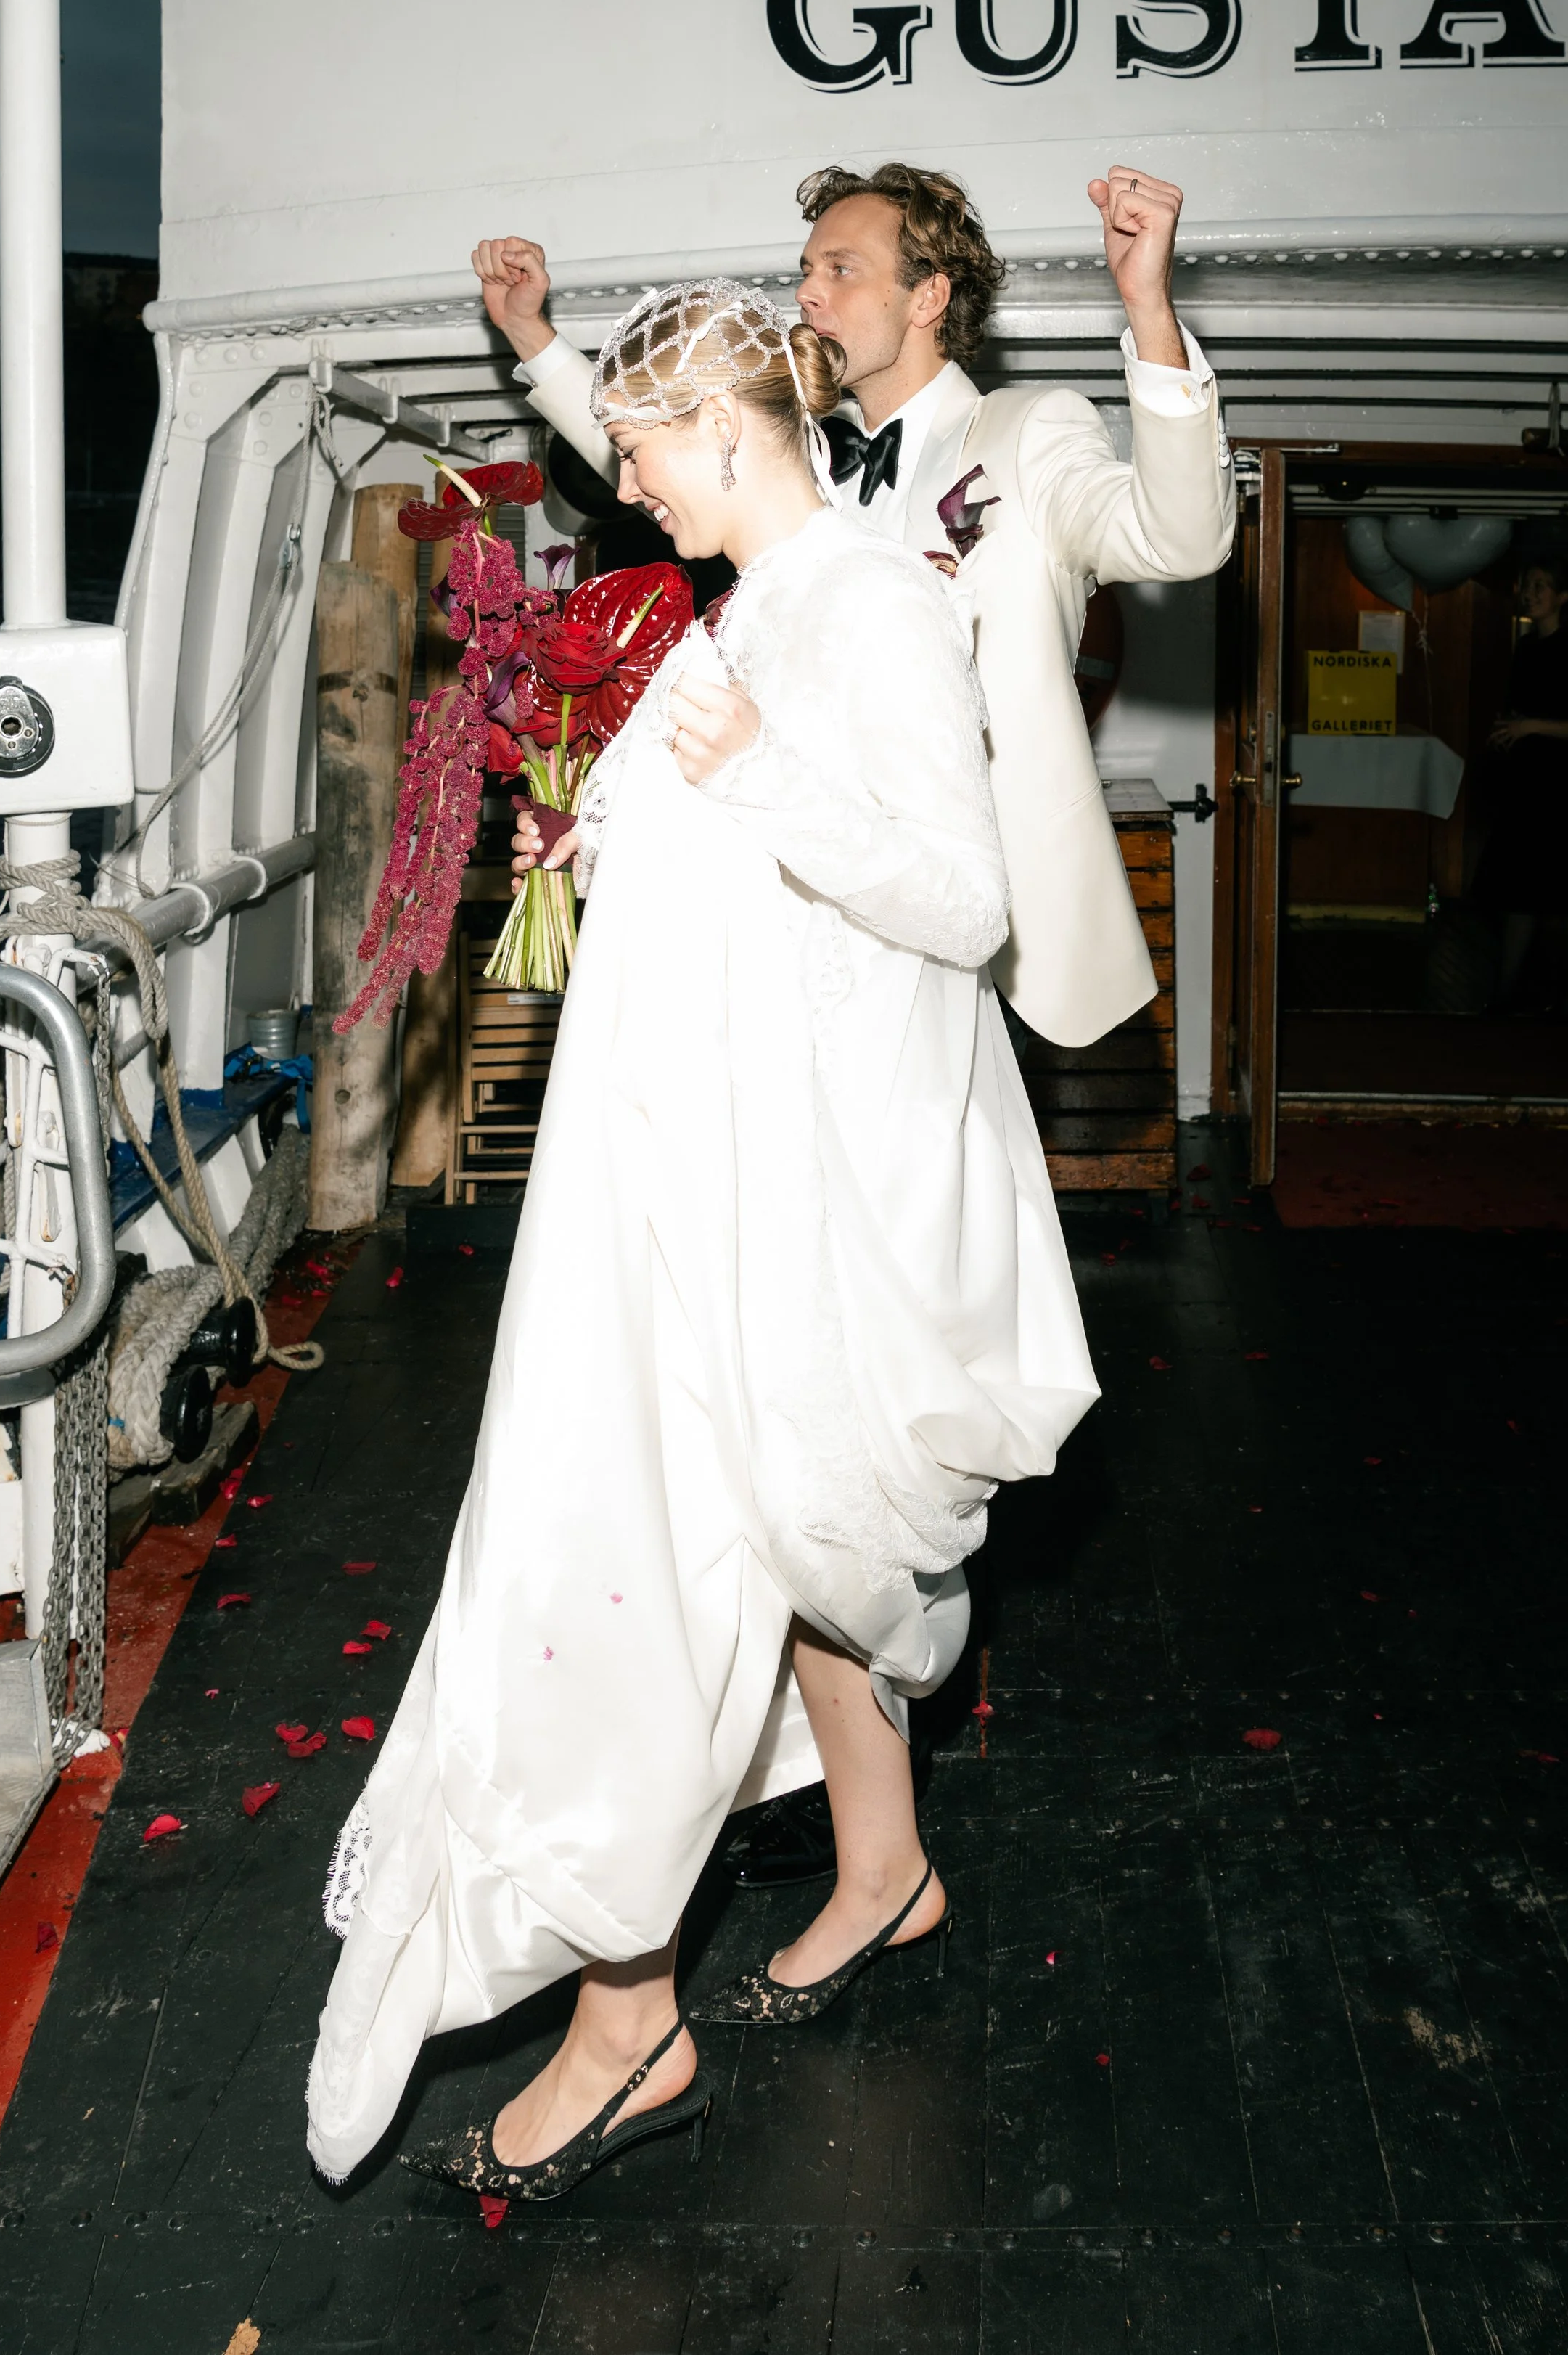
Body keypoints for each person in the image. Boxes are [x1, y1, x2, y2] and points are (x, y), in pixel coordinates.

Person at [304, 282, 1097, 2203]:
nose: (622, 478)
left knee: (642, 1553)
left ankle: (623, 2014)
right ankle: (879, 1862)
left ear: (727, 432)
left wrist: (743, 778)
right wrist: (615, 831)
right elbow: (735, 811)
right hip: (693, 1151)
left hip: (785, 1187)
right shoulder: (755, 599)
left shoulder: (881, 598)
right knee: (758, 1538)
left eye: (640, 446)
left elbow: (955, 892)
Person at [477, 155, 1235, 1059]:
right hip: (819, 916)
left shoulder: (1030, 433)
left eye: (840, 269)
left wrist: (1148, 308)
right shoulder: (802, 465)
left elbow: (1182, 539)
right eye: (804, 272)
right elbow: (663, 458)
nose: (807, 293)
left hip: (1000, 925)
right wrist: (532, 337)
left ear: (926, 299)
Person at [1474, 547, 1568, 1018]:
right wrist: (1508, 733)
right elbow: (1522, 713)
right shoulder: (1528, 648)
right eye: (1527, 584)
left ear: (1562, 596)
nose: (1530, 593)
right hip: (1532, 790)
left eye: (1540, 586)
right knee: (1522, 893)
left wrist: (1530, 726)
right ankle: (1504, 993)